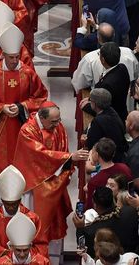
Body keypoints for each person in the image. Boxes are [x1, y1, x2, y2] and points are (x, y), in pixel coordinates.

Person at [0, 24, 47, 212]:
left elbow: (40, 96)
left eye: (17, 57)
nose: (14, 61)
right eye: (11, 58)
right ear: (3, 54)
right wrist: (1, 108)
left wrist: (22, 106)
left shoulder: (28, 73)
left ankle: (18, 201)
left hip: (21, 126)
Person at [14, 102, 87, 262]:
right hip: (35, 186)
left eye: (59, 120)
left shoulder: (57, 127)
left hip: (55, 182)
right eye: (53, 121)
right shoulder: (27, 131)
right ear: (41, 117)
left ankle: (54, 259)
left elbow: (62, 148)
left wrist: (66, 162)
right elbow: (39, 155)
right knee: (37, 226)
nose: (57, 124)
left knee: (55, 222)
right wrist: (68, 158)